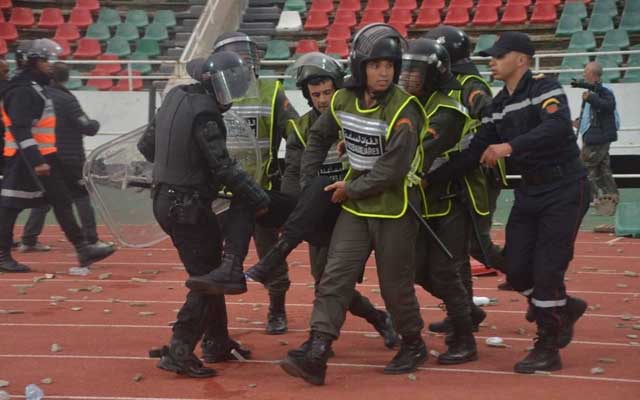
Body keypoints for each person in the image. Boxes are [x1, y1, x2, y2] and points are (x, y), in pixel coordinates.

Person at [426, 32, 589, 374]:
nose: (492, 61)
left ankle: (548, 345)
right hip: (529, 191)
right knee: (515, 269)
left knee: (547, 270)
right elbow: (473, 152)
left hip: (564, 188)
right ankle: (563, 307)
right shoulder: (498, 106)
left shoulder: (546, 89)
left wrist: (509, 148)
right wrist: (429, 177)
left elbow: (558, 128)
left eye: (499, 56)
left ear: (522, 59)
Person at [280, 24, 428, 386]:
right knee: (334, 277)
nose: (384, 72)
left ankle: (413, 342)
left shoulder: (406, 110)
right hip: (357, 208)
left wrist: (349, 188)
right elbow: (319, 135)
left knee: (395, 287)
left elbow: (392, 171)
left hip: (394, 207)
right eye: (376, 65)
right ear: (360, 66)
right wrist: (310, 183)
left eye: (389, 66)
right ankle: (317, 349)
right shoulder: (344, 99)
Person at [138, 53, 266, 378]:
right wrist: (256, 195)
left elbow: (146, 146)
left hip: (166, 201)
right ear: (213, 84)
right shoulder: (206, 113)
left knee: (210, 273)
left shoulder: (175, 97)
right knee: (209, 280)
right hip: (187, 207)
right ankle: (180, 348)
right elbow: (222, 166)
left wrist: (182, 163)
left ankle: (217, 342)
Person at [282, 52, 399, 349]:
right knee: (324, 280)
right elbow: (295, 174)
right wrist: (298, 213)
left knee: (342, 279)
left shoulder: (356, 115)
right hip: (321, 212)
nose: (322, 100)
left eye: (327, 92)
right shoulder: (299, 128)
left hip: (359, 207)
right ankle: (376, 319)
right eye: (315, 94)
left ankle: (321, 339)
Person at [0, 39, 115, 273]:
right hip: (25, 159)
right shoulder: (22, 90)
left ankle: (83, 248)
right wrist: (37, 161)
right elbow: (20, 129)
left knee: (62, 200)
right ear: (31, 63)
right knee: (10, 207)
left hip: (44, 156)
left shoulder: (36, 87)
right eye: (44, 60)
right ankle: (2, 256)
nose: (50, 65)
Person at [211, 32, 299, 334]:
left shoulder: (271, 91)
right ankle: (210, 318)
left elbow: (296, 133)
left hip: (262, 192)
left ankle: (277, 309)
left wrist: (292, 182)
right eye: (236, 55)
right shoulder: (213, 94)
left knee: (271, 255)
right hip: (221, 195)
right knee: (214, 259)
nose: (243, 61)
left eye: (247, 54)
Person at [399, 38, 479, 365]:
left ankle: (464, 337)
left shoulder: (446, 110)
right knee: (417, 269)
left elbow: (417, 151)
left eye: (416, 72)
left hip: (447, 203)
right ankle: (466, 310)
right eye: (405, 70)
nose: (407, 78)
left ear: (436, 73)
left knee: (446, 271)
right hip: (419, 204)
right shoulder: (408, 105)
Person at [425, 25, 509, 291]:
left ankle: (530, 276)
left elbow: (489, 120)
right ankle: (465, 311)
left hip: (478, 173)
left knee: (477, 245)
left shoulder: (469, 84)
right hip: (456, 173)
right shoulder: (445, 86)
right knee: (455, 246)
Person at [17, 62, 114, 253]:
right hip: (70, 158)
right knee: (82, 197)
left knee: (46, 198)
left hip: (44, 155)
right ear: (66, 78)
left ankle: (28, 240)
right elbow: (88, 127)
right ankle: (91, 240)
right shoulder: (66, 99)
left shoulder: (38, 96)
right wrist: (95, 123)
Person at [575, 61, 619, 217]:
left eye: (585, 71)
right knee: (603, 169)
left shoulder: (605, 91)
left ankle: (593, 198)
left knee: (582, 167)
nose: (583, 74)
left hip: (598, 138)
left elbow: (608, 107)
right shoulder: (592, 92)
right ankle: (610, 199)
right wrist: (578, 122)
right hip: (596, 136)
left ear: (592, 74)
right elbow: (592, 116)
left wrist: (590, 98)